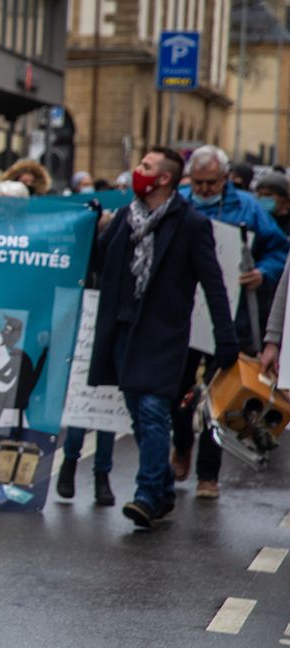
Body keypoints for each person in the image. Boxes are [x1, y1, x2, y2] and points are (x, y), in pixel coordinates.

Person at [89, 147, 238, 529]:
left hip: (162, 334)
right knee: (139, 413)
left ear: (165, 179)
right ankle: (164, 492)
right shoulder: (125, 217)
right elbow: (99, 263)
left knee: (155, 411)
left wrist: (226, 338)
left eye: (145, 166)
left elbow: (213, 283)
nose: (138, 171)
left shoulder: (189, 224)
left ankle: (145, 492)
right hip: (122, 331)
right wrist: (91, 227)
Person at [171, 145, 287, 498]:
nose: (204, 189)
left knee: (220, 396)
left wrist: (261, 273)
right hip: (184, 315)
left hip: (229, 318)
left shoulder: (248, 208)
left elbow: (280, 249)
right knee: (176, 391)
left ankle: (209, 474)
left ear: (225, 179)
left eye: (212, 182)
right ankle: (182, 442)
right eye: (199, 183)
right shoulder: (180, 203)